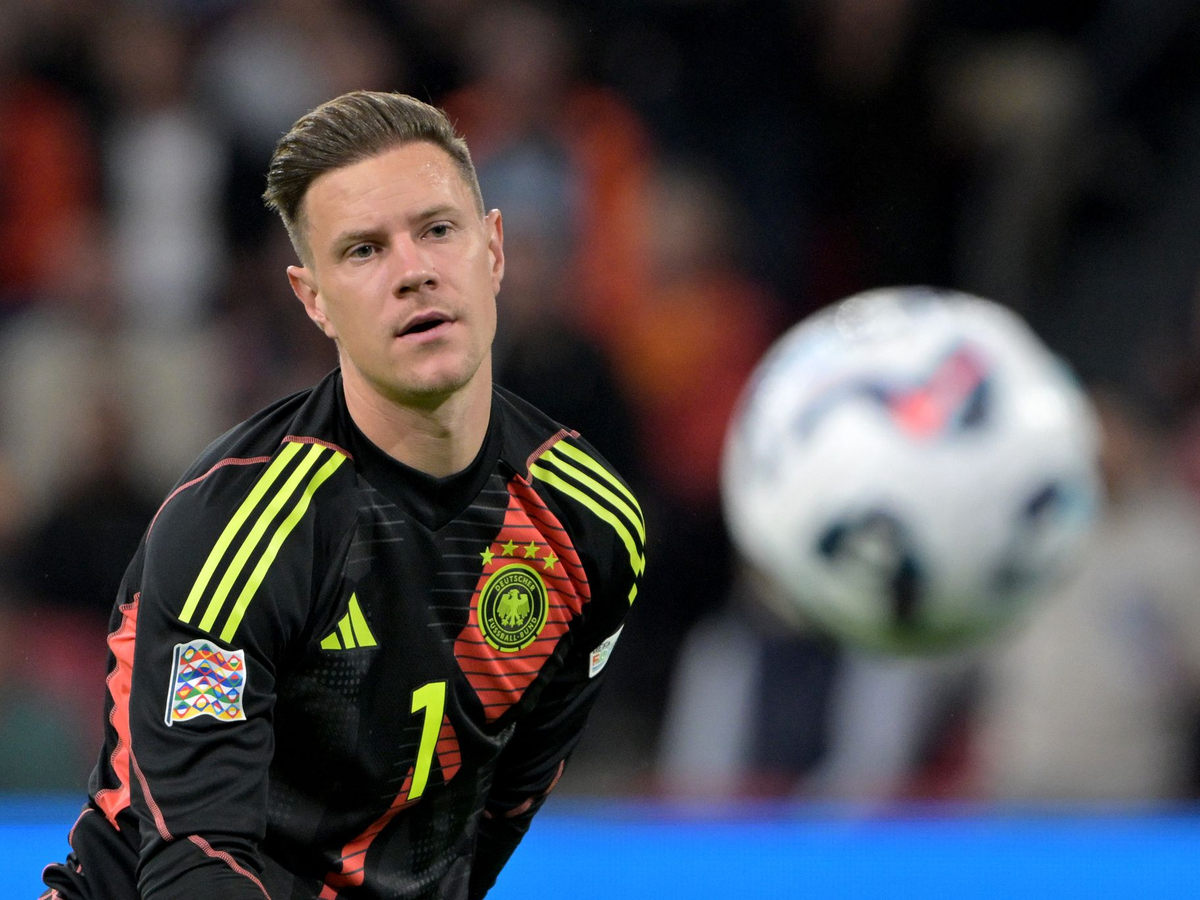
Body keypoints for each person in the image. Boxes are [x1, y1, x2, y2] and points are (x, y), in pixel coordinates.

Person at [41, 90, 645, 900]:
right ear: (313, 298)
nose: (413, 273)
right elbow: (195, 862)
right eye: (364, 251)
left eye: (438, 230)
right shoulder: (236, 533)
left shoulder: (591, 528)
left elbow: (494, 817)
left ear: (494, 250)